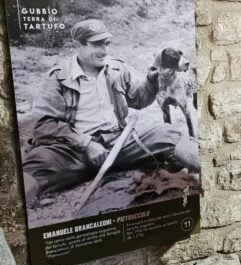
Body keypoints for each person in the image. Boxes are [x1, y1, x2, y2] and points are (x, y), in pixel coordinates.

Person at [22, 19, 182, 205]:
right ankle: (14, 212)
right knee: (36, 162)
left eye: (107, 44)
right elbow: (44, 126)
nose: (105, 51)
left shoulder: (117, 69)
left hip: (118, 144)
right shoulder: (57, 77)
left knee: (167, 133)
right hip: (74, 151)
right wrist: (85, 143)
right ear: (78, 45)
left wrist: (151, 81)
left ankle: (198, 172)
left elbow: (139, 99)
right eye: (97, 44)